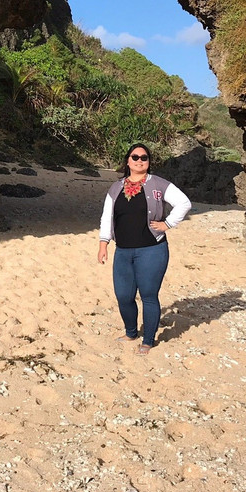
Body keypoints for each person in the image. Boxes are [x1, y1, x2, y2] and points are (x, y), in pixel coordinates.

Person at [97, 143, 191, 355]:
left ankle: (148, 340)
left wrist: (167, 224)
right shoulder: (116, 187)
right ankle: (131, 333)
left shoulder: (158, 184)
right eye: (135, 157)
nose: (140, 161)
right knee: (123, 296)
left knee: (148, 295)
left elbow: (184, 203)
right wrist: (104, 243)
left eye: (144, 158)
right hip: (123, 250)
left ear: (149, 162)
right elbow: (106, 216)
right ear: (128, 161)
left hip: (152, 249)